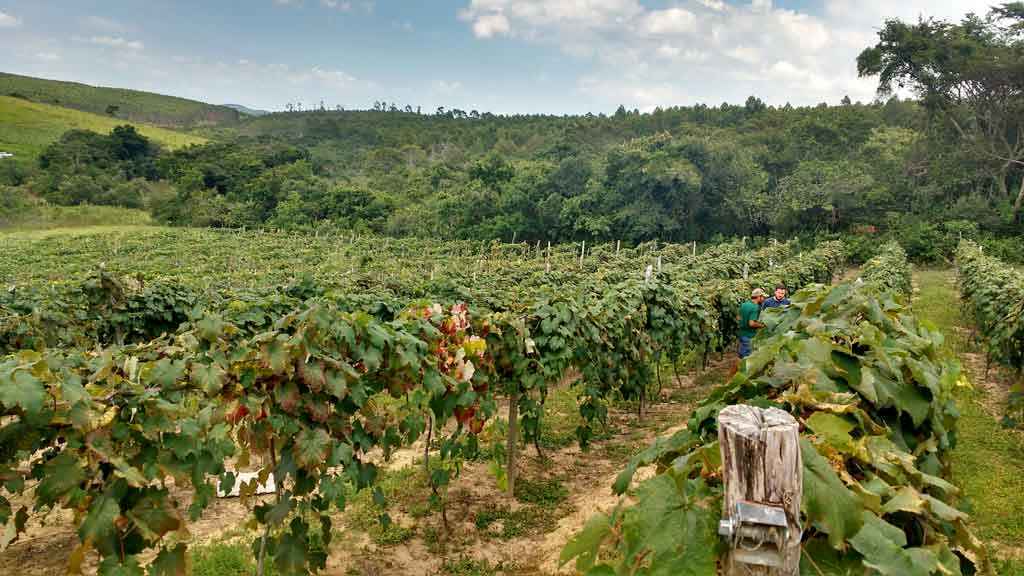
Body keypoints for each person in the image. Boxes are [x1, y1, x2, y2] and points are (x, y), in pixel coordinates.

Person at [738, 288, 767, 359]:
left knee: (741, 355)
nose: (764, 299)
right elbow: (751, 323)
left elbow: (738, 317)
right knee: (747, 358)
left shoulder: (744, 304)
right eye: (763, 297)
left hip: (741, 334)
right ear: (758, 297)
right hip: (749, 336)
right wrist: (762, 325)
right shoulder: (755, 307)